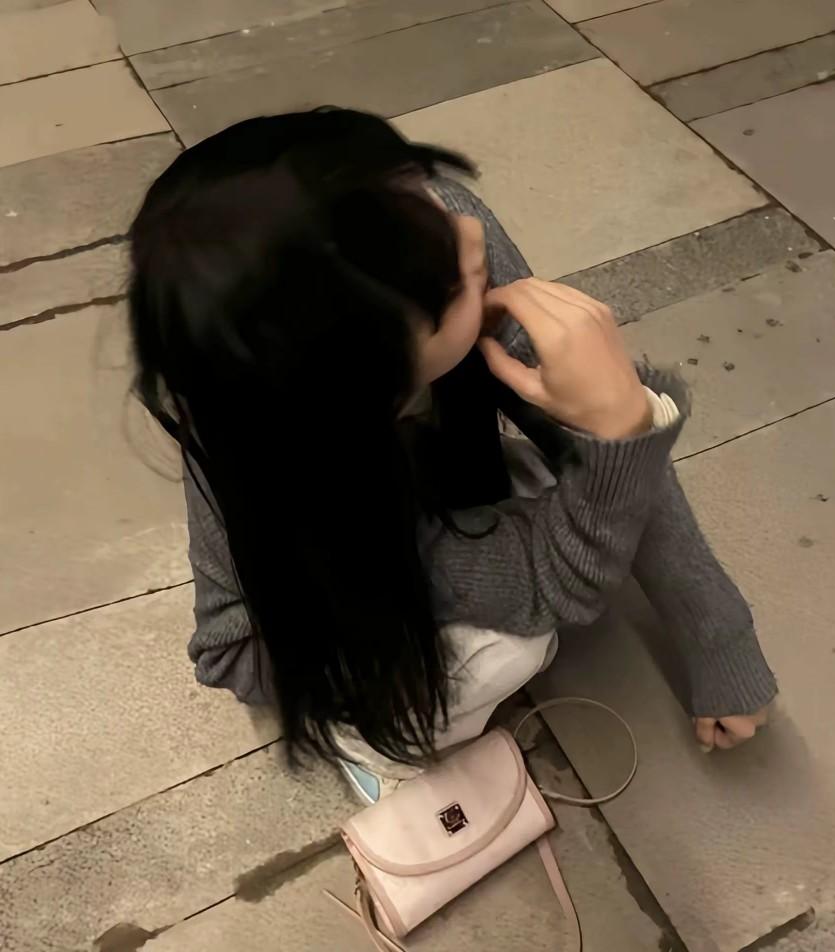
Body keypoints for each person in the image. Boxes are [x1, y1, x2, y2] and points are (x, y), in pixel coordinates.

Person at [128, 108, 776, 803]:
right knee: (516, 646)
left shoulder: (420, 226)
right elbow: (555, 580)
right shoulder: (311, 476)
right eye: (447, 283)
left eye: (419, 185)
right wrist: (616, 433)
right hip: (308, 611)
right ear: (377, 385)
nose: (470, 232)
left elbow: (591, 449)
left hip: (404, 479)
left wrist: (720, 637)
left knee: (576, 472)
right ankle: (369, 735)